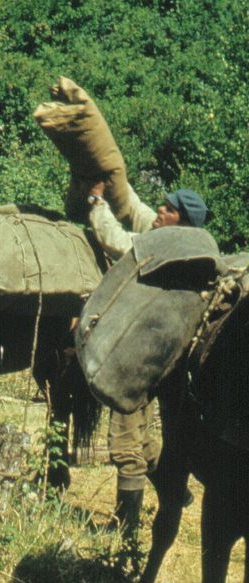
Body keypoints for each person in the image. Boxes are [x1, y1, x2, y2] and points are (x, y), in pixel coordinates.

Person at [87, 181, 207, 549]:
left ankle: (126, 532)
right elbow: (140, 213)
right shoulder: (193, 245)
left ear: (180, 220)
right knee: (149, 441)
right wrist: (120, 188)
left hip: (141, 362)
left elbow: (117, 240)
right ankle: (175, 489)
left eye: (166, 209)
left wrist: (96, 203)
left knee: (125, 443)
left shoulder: (165, 248)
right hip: (170, 363)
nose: (158, 212)